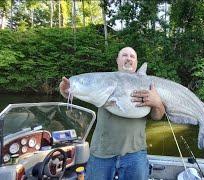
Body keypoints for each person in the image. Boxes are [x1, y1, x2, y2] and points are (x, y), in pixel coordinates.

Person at [59, 47, 165, 180]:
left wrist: (157, 103)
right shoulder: (105, 79)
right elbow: (76, 92)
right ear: (117, 60)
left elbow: (157, 116)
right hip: (102, 153)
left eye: (132, 56)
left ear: (136, 62)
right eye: (124, 55)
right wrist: (66, 90)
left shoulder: (149, 86)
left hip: (135, 153)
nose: (128, 58)